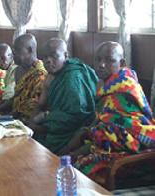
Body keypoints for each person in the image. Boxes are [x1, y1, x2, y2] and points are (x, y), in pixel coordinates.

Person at [65, 41, 155, 185]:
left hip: (135, 150)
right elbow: (104, 121)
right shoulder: (106, 85)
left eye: (109, 60)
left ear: (121, 62)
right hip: (112, 143)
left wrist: (85, 144)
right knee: (73, 159)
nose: (101, 64)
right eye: (98, 59)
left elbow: (122, 129)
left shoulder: (125, 86)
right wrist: (85, 133)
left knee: (83, 167)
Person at [26, 37, 99, 155]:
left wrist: (40, 128)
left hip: (76, 130)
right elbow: (41, 106)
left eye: (54, 56)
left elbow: (77, 115)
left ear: (65, 55)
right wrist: (30, 123)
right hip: (55, 126)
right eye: (45, 57)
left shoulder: (73, 77)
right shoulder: (50, 76)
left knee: (40, 151)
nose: (48, 61)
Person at [0, 33, 47, 122]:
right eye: (13, 49)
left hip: (29, 122)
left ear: (29, 50)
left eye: (17, 50)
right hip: (14, 117)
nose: (13, 53)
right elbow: (15, 99)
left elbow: (35, 110)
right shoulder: (19, 70)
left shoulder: (40, 75)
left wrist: (4, 118)